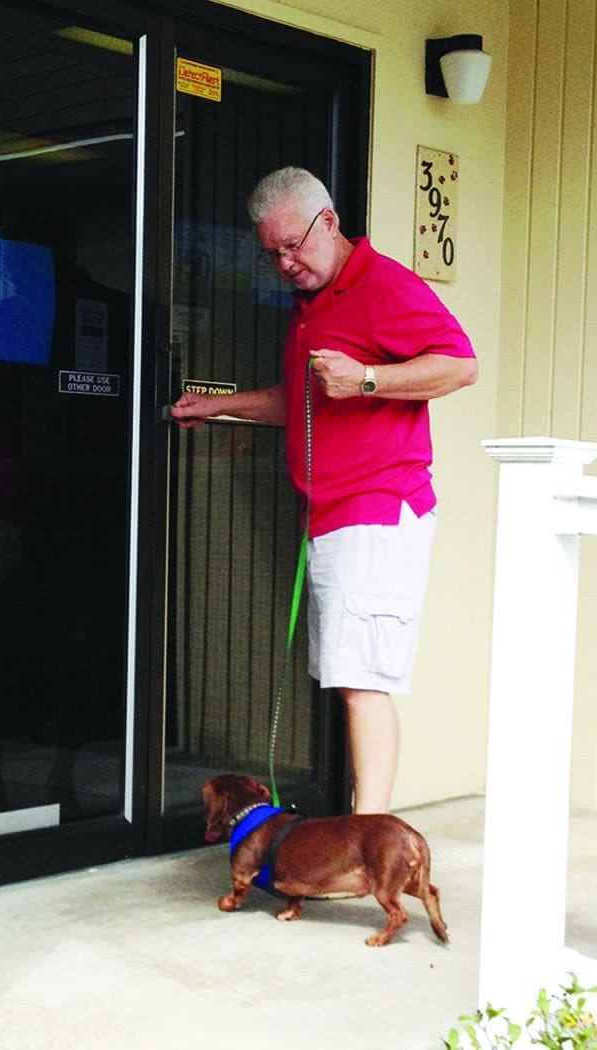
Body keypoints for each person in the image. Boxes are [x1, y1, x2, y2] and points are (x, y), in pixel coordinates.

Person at [169, 166, 477, 814]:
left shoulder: (385, 285)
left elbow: (460, 363)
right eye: (272, 252)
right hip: (334, 514)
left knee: (363, 681)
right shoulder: (312, 308)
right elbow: (301, 400)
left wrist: (367, 379)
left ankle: (367, 841)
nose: (284, 262)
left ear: (329, 221)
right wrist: (222, 409)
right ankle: (362, 841)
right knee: (347, 678)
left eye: (294, 245)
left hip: (376, 508)